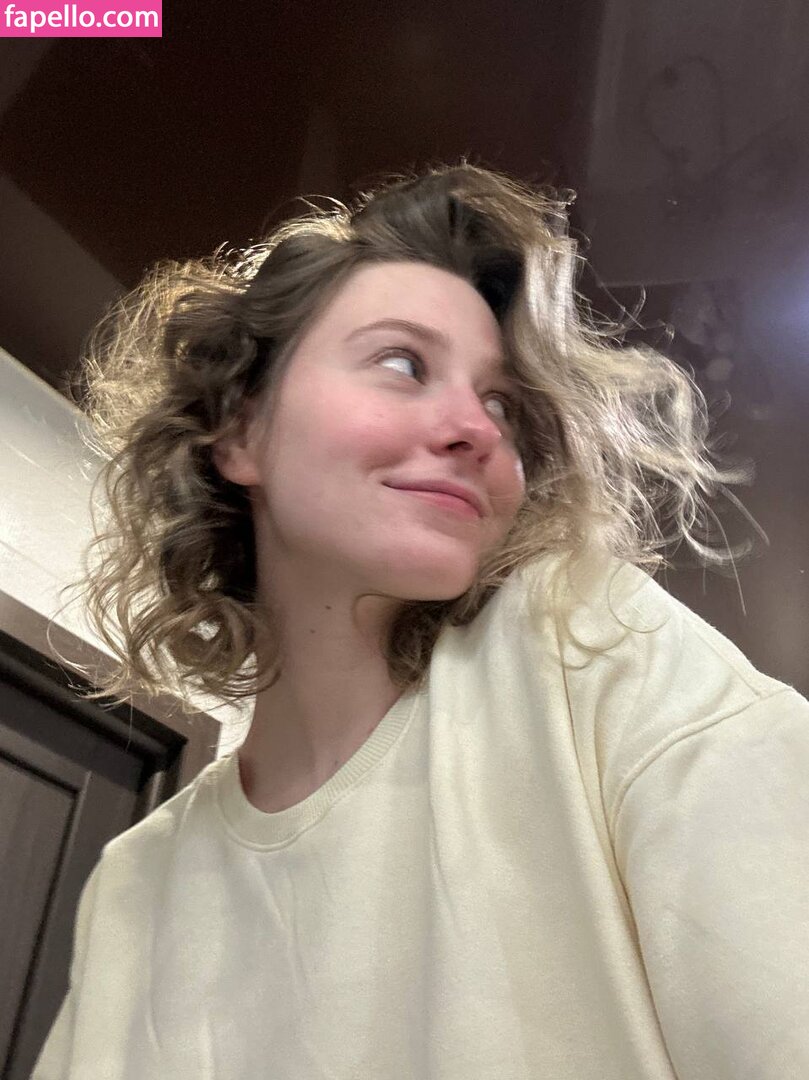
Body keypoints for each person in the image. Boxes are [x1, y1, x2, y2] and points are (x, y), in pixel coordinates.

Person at [34, 162, 808, 1079]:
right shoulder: (135, 890)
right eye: (403, 363)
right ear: (240, 429)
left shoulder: (587, 652)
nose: (476, 430)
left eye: (502, 404)